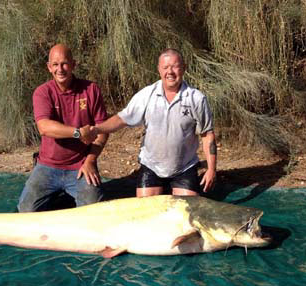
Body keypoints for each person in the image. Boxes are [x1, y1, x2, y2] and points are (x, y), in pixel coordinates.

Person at [90, 48, 217, 197]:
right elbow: (121, 119)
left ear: (183, 68)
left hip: (184, 168)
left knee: (186, 212)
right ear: (159, 69)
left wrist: (211, 169)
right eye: (165, 67)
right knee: (146, 211)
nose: (170, 72)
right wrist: (96, 129)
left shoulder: (196, 98)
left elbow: (207, 135)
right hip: (152, 166)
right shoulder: (146, 95)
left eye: (175, 66)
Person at [18, 44, 109, 212]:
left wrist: (90, 161)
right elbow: (44, 127)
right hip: (47, 166)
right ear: (49, 67)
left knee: (94, 209)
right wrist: (78, 132)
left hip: (81, 165)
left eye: (65, 63)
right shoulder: (42, 92)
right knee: (26, 209)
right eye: (55, 64)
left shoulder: (91, 90)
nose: (60, 69)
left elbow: (102, 131)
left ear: (74, 64)